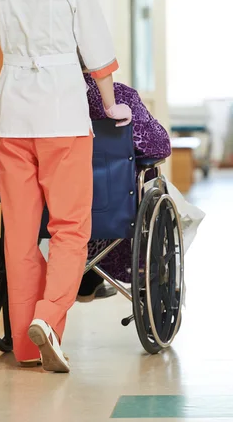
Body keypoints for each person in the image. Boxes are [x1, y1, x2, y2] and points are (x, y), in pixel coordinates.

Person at [0, 0, 132, 372]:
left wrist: (9, 100)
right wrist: (111, 105)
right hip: (63, 117)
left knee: (20, 234)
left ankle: (25, 346)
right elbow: (97, 52)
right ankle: (49, 316)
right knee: (69, 228)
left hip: (10, 122)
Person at [76, 59, 171, 301]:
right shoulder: (119, 96)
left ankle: (87, 277)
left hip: (58, 204)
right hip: (113, 207)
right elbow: (159, 147)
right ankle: (144, 272)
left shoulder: (43, 102)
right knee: (143, 183)